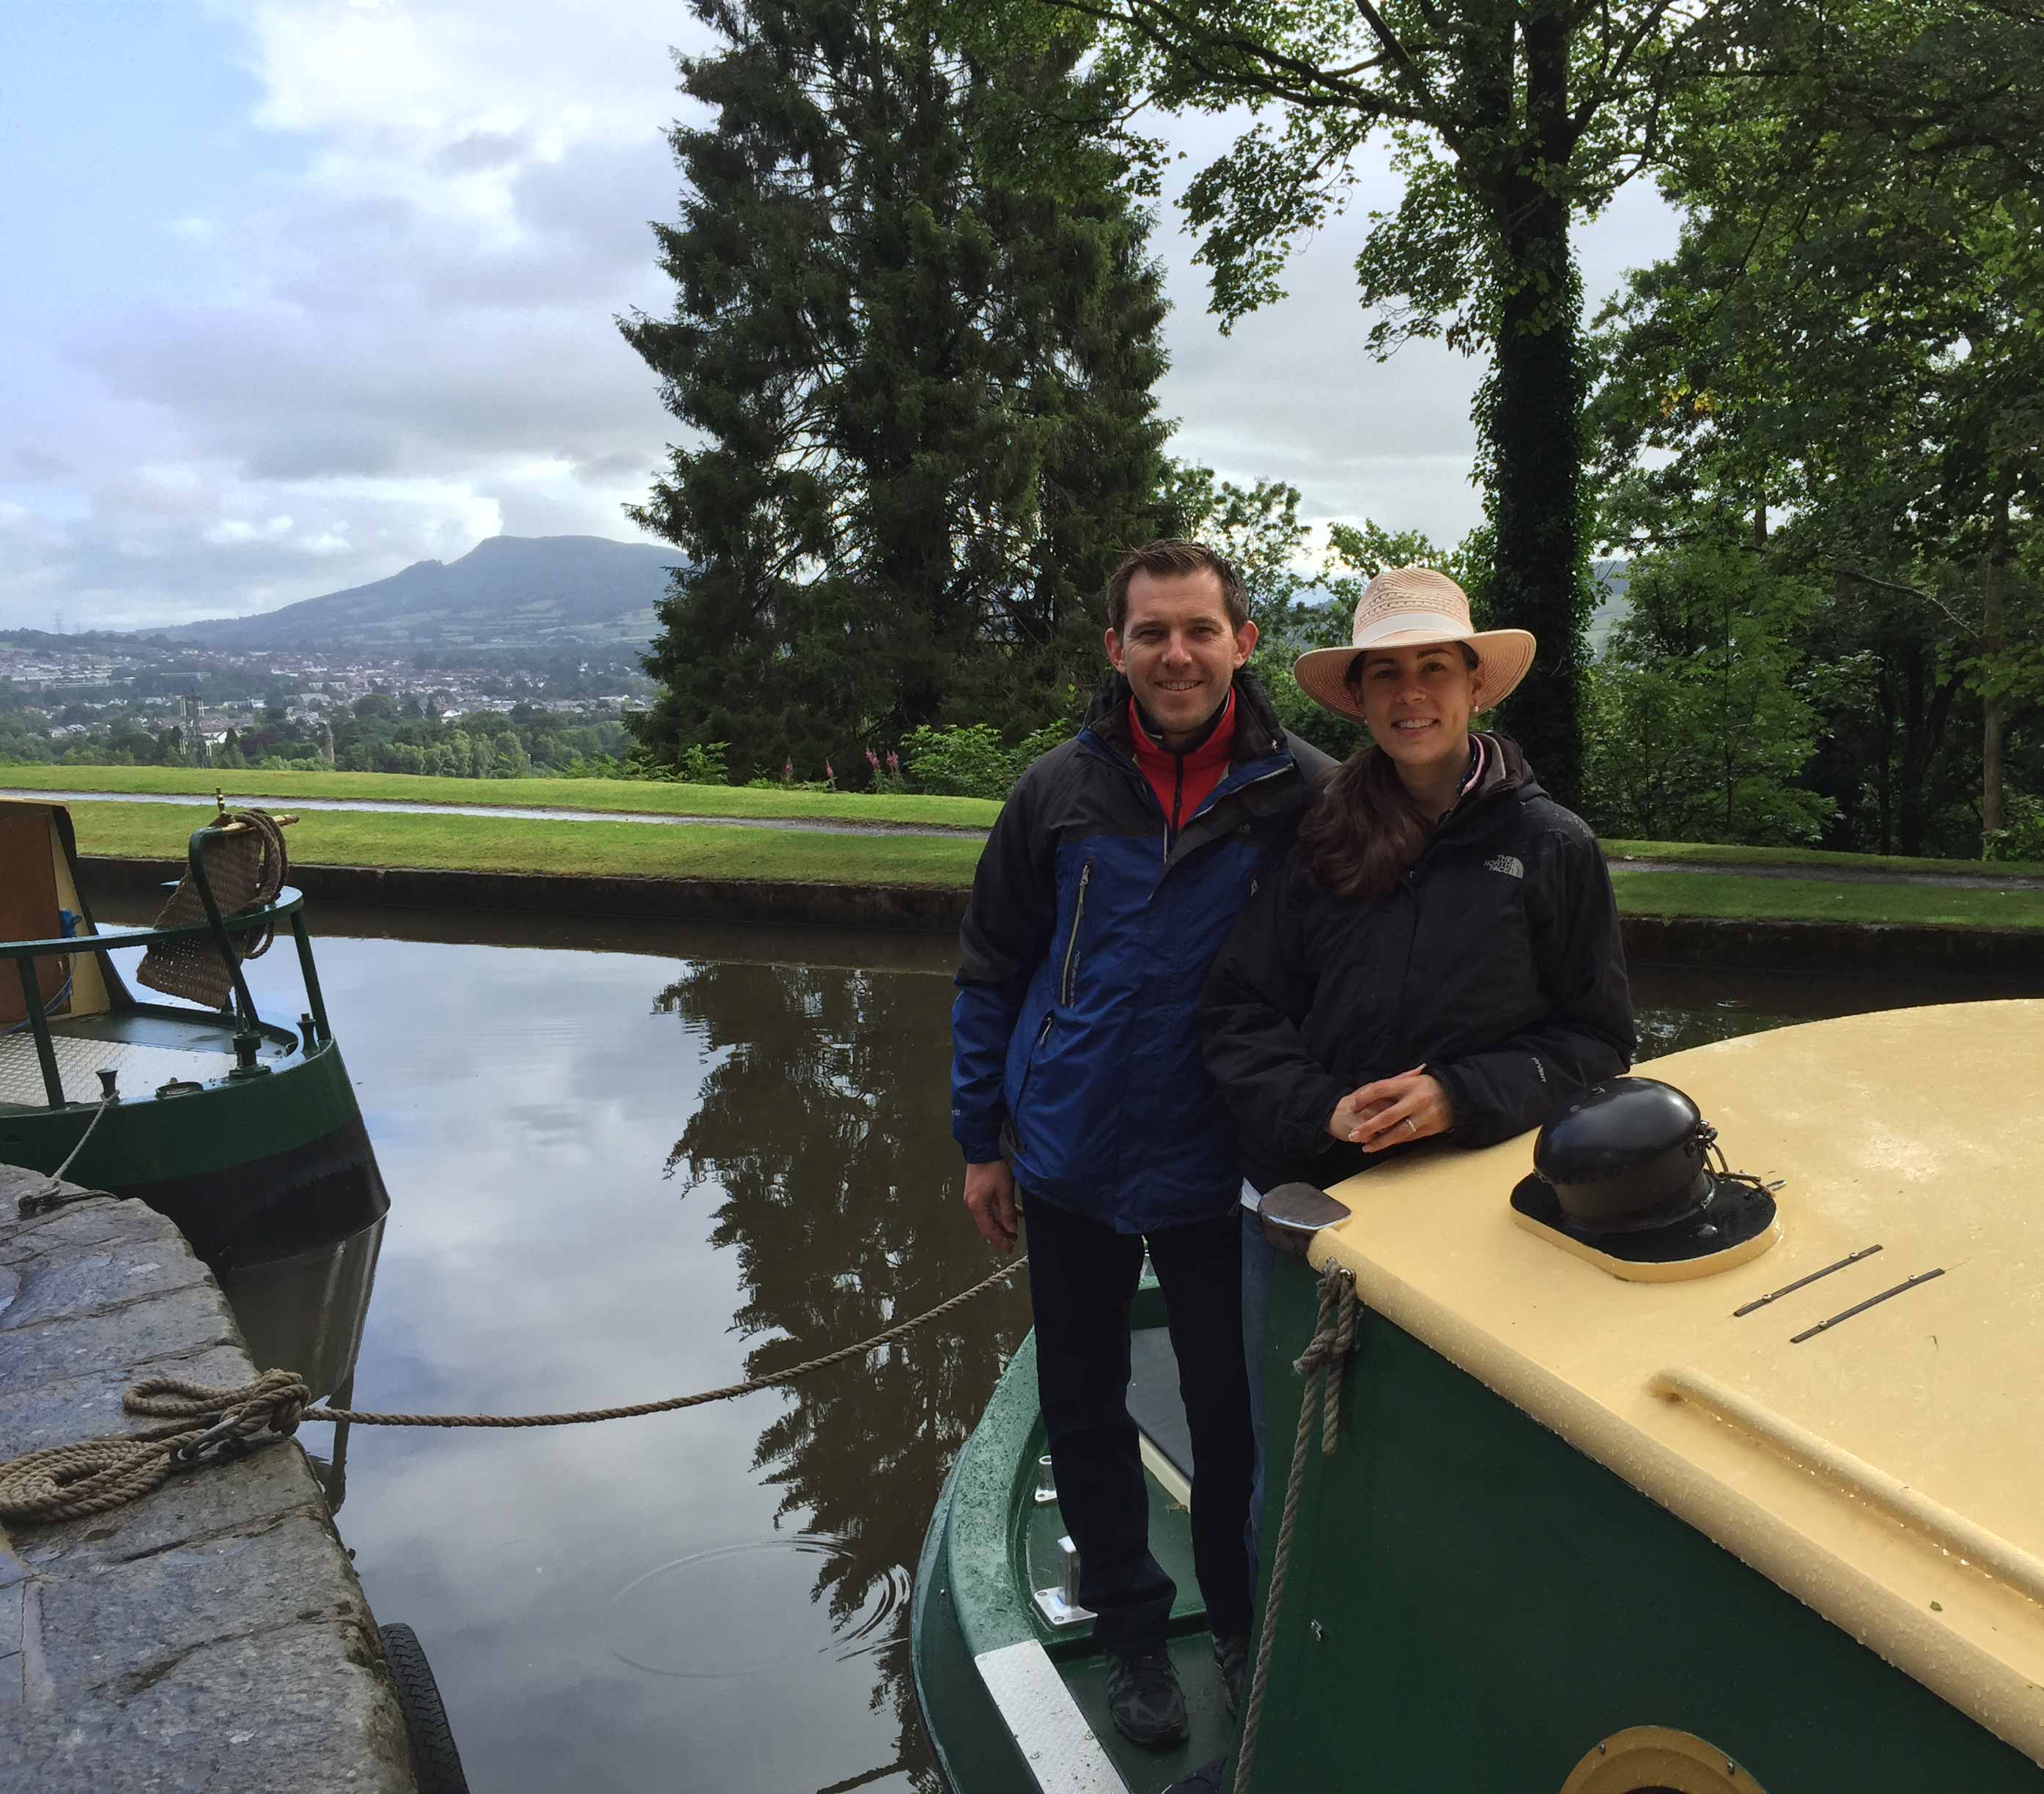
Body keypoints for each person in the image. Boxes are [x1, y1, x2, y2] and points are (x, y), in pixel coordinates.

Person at [951, 539, 1333, 1748]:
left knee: (1230, 1414)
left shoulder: (1306, 797)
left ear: (1242, 643)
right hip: (1067, 1152)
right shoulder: (1054, 793)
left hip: (1222, 1161)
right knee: (1083, 1406)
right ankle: (1128, 1631)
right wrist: (980, 1139)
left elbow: (1350, 978)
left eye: (1199, 630)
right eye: (1152, 633)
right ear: (1115, 649)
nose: (1176, 655)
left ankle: (1235, 1617)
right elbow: (991, 969)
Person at [1200, 564, 1635, 1551]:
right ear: (1357, 698)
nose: (1411, 695)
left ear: (1475, 684)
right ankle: (1270, 1636)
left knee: (1445, 1478)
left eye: (1434, 668)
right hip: (1305, 1209)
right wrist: (1319, 1107)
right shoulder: (1313, 834)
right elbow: (1238, 1010)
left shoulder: (1552, 846)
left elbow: (1597, 1041)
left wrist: (1457, 1094)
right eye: (1385, 673)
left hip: (1468, 1222)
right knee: (1289, 1465)